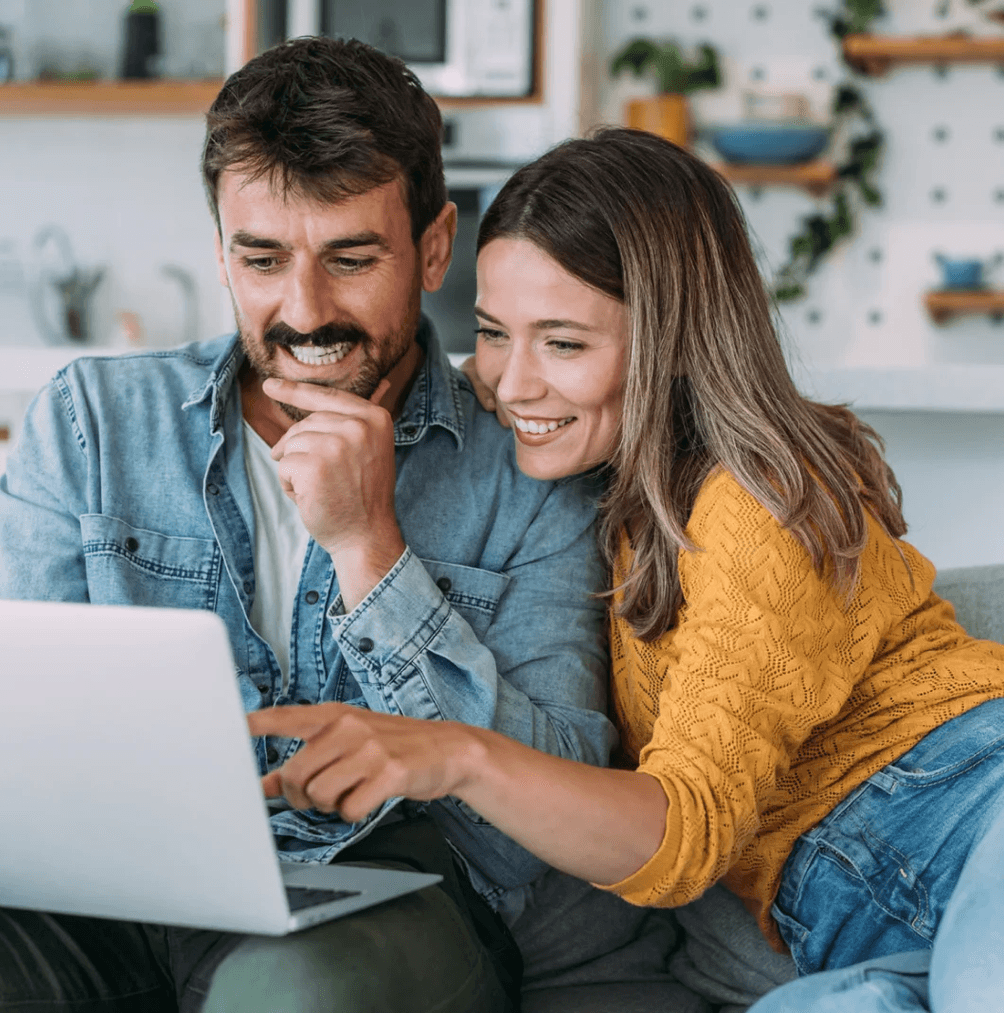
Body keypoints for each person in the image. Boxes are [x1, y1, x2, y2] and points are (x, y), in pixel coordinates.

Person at [0, 38, 625, 1013]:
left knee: (289, 991)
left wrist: (368, 547)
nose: (304, 311)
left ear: (433, 246)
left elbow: (535, 837)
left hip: (386, 894)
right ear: (220, 250)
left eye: (350, 258)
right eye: (261, 259)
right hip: (100, 897)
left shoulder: (529, 470)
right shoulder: (93, 421)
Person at [250, 127, 1004, 1013]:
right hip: (860, 924)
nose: (514, 380)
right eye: (493, 330)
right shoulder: (604, 465)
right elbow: (470, 385)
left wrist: (457, 755)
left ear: (671, 344)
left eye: (564, 344)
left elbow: (684, 834)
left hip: (970, 812)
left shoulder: (753, 504)